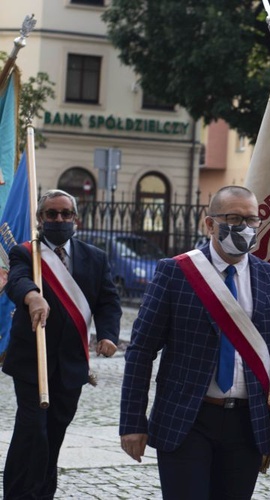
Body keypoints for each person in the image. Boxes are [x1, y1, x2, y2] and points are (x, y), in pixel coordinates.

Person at [119, 185, 270, 499]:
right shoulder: (176, 272)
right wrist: (132, 421)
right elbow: (141, 349)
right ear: (209, 224)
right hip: (187, 420)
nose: (244, 227)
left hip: (247, 423)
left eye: (252, 220)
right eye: (234, 218)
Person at [3, 189, 121, 498]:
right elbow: (16, 280)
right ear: (40, 219)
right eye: (51, 214)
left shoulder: (95, 257)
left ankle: (42, 493)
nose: (59, 219)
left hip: (71, 364)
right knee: (32, 431)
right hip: (33, 360)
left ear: (76, 219)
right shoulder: (26, 253)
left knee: (54, 434)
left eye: (65, 214)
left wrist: (108, 334)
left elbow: (108, 301)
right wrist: (33, 296)